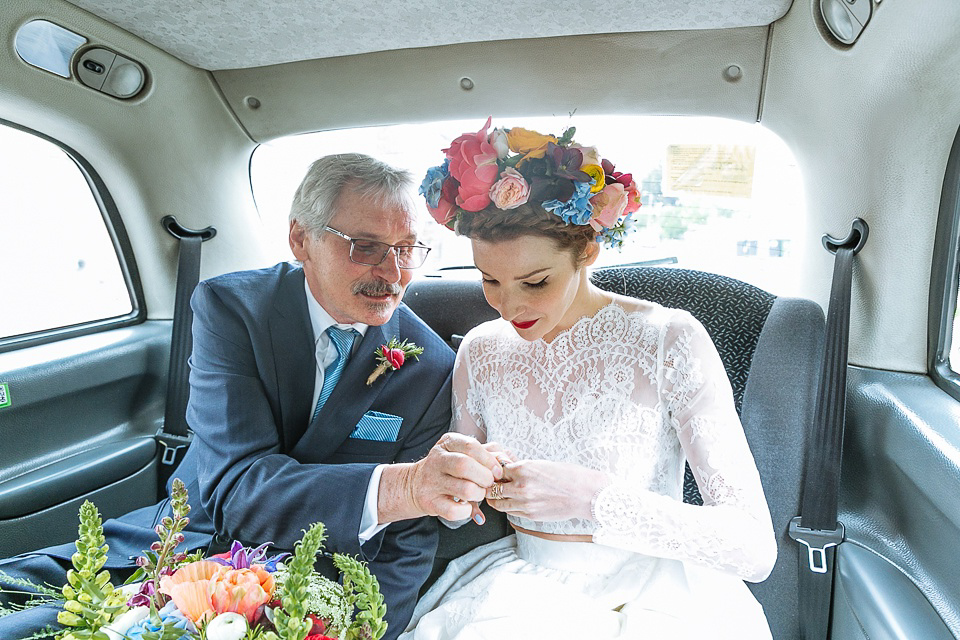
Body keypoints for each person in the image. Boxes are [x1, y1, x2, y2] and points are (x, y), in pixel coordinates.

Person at [0, 153, 503, 640]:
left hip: (315, 586)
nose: (393, 274)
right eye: (365, 247)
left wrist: (369, 628)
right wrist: (405, 486)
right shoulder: (232, 309)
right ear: (301, 239)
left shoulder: (431, 365)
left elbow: (408, 543)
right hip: (185, 539)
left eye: (408, 248)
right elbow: (234, 490)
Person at [401, 120, 778, 639]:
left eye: (535, 281)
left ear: (587, 253)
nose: (509, 305)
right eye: (489, 280)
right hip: (520, 592)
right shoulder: (481, 350)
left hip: (661, 594)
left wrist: (594, 499)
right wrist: (455, 479)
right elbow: (454, 517)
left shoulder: (670, 339)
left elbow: (753, 549)